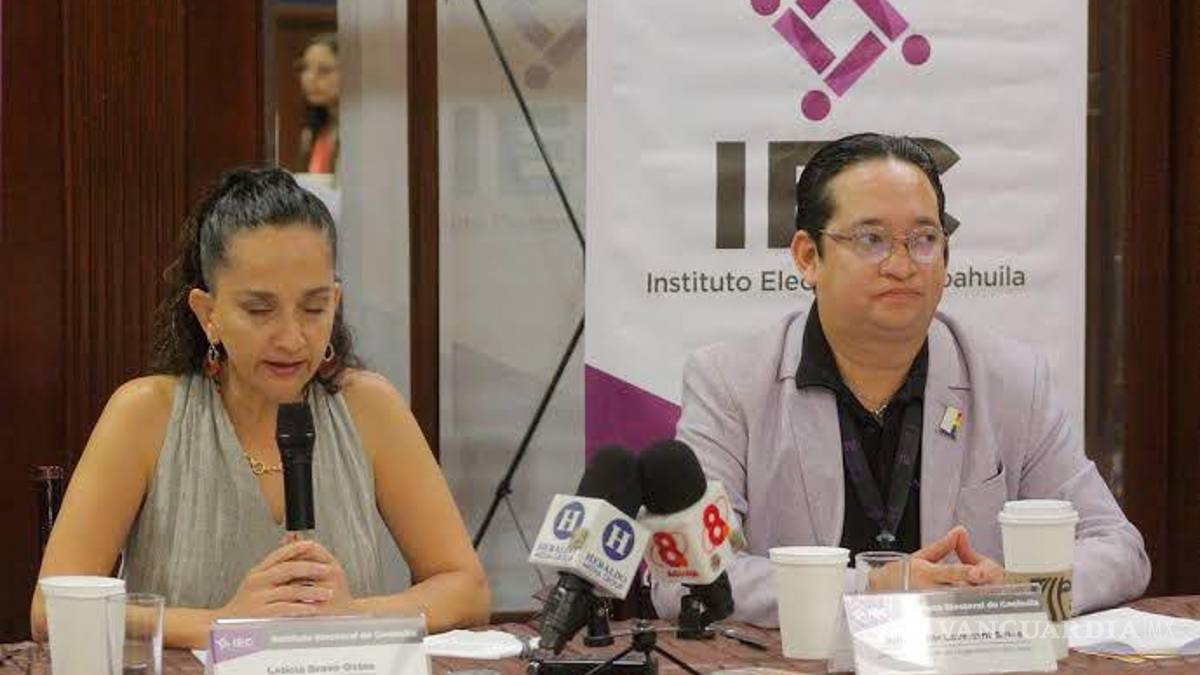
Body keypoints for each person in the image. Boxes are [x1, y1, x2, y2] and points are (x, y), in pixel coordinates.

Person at [653, 133, 1150, 626]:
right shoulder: (730, 384)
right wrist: (869, 589)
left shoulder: (1012, 381)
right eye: (871, 240)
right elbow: (686, 581)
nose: (902, 265)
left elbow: (1118, 547)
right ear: (808, 257)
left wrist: (1019, 590)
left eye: (924, 240)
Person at [31, 168, 490, 648]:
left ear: (335, 302)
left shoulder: (371, 407)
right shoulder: (144, 414)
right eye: (259, 310)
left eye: (313, 309)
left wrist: (351, 615)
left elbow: (466, 588)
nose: (291, 338)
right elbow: (51, 610)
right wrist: (226, 626)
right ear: (208, 314)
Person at [297, 33, 340, 176]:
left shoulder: (363, 132)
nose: (310, 78)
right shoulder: (312, 131)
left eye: (324, 70)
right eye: (305, 68)